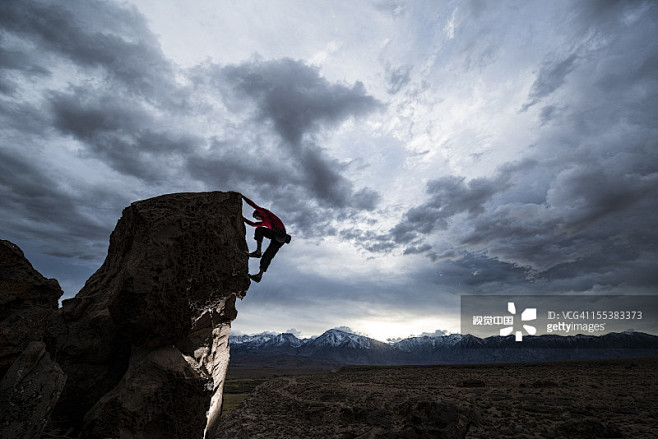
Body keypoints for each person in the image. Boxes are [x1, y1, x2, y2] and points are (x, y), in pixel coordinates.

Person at [242, 195, 291, 283]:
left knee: (260, 230)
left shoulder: (265, 213)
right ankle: (259, 276)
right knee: (267, 256)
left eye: (256, 217)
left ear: (258, 214)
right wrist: (242, 218)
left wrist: (242, 197)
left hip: (280, 233)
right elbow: (253, 224)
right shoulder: (264, 222)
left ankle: (258, 251)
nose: (257, 219)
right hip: (279, 239)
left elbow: (254, 205)